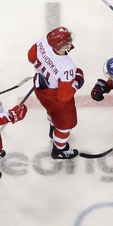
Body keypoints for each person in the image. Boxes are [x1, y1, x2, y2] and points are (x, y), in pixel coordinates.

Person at [27, 27, 84, 160]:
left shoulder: (45, 42)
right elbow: (64, 96)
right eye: (67, 41)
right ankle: (59, 150)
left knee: (52, 111)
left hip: (40, 86)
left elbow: (31, 55)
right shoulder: (66, 67)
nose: (70, 42)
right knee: (66, 124)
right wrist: (77, 80)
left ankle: (53, 128)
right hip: (55, 96)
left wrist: (42, 68)